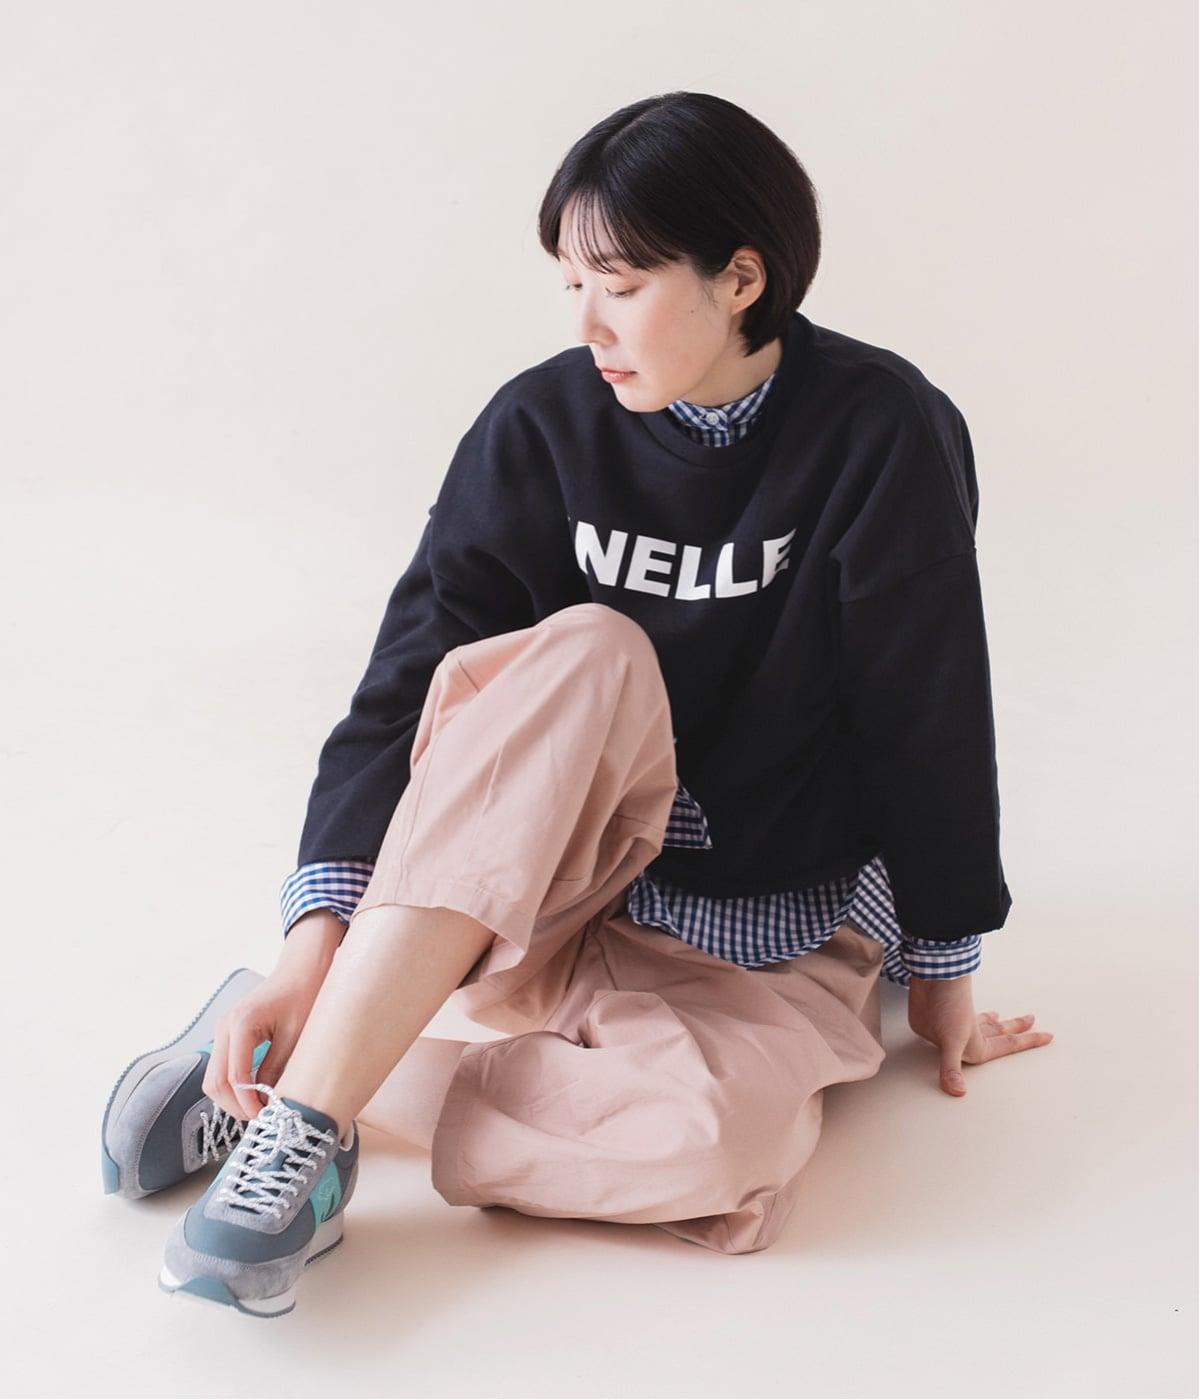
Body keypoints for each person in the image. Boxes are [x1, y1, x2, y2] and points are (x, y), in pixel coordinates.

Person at [132, 91, 1052, 1317]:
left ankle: (299, 1084)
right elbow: (406, 682)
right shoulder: (539, 424)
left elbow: (926, 701)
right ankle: (301, 1126)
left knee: (716, 1150)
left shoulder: (881, 431)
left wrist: (942, 961)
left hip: (777, 936)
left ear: (741, 278)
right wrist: (316, 946)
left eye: (619, 285)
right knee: (590, 650)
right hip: (546, 904)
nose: (587, 324)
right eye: (571, 284)